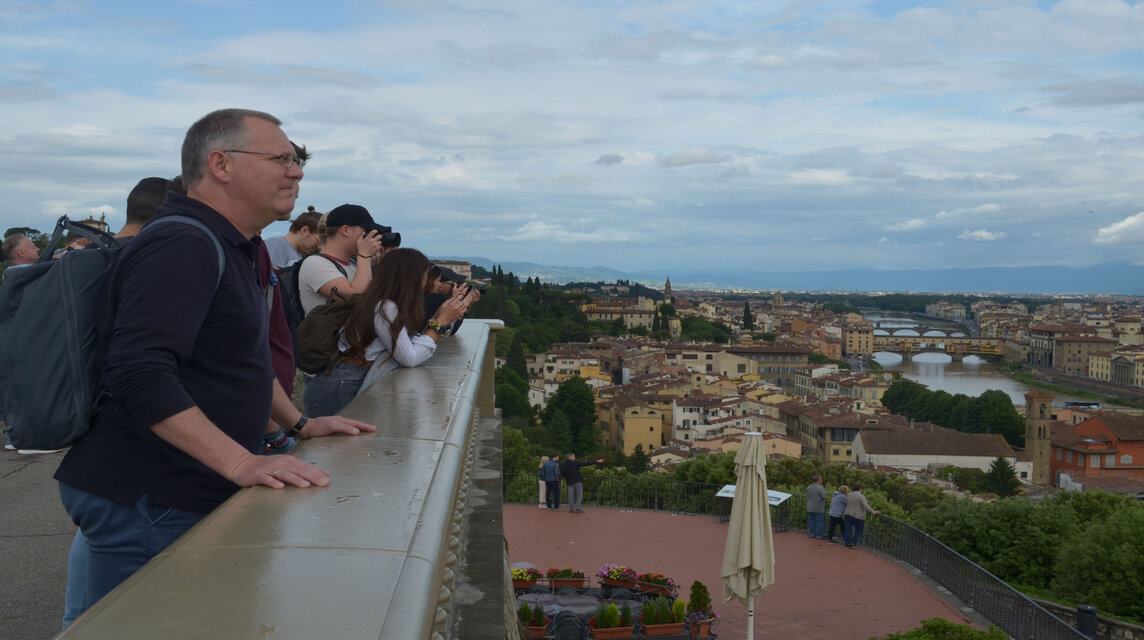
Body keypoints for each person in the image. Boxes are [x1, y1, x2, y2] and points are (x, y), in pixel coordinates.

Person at [52, 108, 376, 624]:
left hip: (163, 489)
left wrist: (299, 423)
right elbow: (139, 373)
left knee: (96, 622)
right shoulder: (182, 243)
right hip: (152, 493)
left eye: (298, 160)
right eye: (282, 158)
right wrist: (240, 462)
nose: (297, 171)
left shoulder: (238, 246)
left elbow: (243, 359)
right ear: (221, 164)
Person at [302, 248, 472, 418]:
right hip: (341, 387)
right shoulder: (386, 308)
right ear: (413, 277)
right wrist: (439, 323)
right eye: (425, 274)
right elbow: (409, 358)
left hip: (339, 382)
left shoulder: (378, 302)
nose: (426, 279)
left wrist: (439, 316)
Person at [296, 203, 384, 314]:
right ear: (346, 230)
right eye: (366, 230)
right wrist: (364, 255)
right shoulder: (314, 263)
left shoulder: (353, 264)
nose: (370, 235)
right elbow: (355, 297)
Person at [806, 474, 827, 540]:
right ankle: (819, 535)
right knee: (819, 522)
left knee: (811, 521)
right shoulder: (820, 487)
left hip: (809, 506)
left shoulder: (809, 487)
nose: (821, 480)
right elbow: (825, 497)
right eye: (821, 479)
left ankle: (812, 534)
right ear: (818, 480)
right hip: (818, 507)